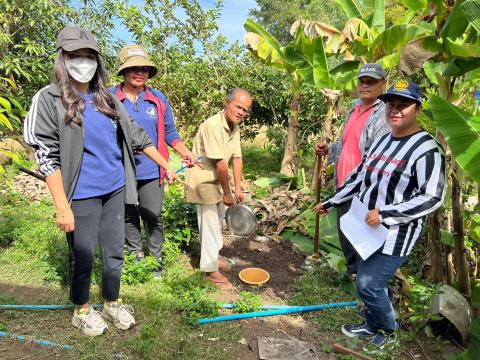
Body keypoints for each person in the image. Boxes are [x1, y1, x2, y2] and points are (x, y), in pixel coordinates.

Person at [23, 27, 176, 337]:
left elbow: (137, 134)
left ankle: (111, 301)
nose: (83, 62)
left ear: (97, 61)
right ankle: (81, 309)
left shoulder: (105, 97)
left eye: (89, 56)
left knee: (113, 251)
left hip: (115, 188)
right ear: (62, 58)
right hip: (80, 193)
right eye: (76, 56)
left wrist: (166, 165)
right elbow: (46, 156)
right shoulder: (49, 98)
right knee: (82, 253)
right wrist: (61, 206)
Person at [314, 80, 446, 354]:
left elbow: (433, 197)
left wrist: (385, 214)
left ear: (418, 109)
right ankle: (373, 324)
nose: (395, 110)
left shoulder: (427, 149)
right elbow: (360, 175)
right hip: (367, 228)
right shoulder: (383, 140)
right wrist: (332, 201)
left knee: (369, 284)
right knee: (365, 279)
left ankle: (388, 332)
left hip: (396, 233)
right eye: (391, 104)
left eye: (403, 105)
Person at [112, 45, 194, 278]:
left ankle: (156, 261)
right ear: (124, 71)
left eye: (144, 69)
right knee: (129, 213)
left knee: (152, 213)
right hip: (121, 170)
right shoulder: (109, 98)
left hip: (152, 169)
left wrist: (184, 151)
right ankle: (137, 257)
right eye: (134, 68)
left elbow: (170, 132)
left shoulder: (157, 99)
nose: (140, 73)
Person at [315, 63, 390, 277]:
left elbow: (376, 157)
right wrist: (329, 149)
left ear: (383, 84)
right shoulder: (354, 108)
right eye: (362, 81)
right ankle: (353, 275)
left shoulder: (383, 114)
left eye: (371, 82)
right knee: (346, 234)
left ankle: (367, 282)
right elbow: (346, 143)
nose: (365, 85)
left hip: (363, 188)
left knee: (363, 238)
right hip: (343, 184)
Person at [185, 88, 252, 290]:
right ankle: (209, 270)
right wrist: (228, 192)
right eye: (238, 107)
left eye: (245, 110)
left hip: (218, 179)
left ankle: (213, 256)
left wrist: (238, 188)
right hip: (204, 179)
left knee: (218, 220)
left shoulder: (234, 126)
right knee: (209, 223)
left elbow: (237, 157)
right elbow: (222, 164)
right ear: (227, 103)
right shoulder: (214, 126)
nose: (241, 112)